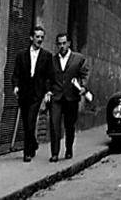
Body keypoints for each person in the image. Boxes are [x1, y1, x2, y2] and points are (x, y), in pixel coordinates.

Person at [11, 25, 54, 162]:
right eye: (37, 37)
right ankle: (33, 143)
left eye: (42, 37)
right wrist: (16, 86)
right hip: (24, 92)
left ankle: (27, 152)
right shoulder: (21, 55)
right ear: (31, 38)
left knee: (30, 121)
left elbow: (49, 76)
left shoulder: (47, 56)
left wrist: (48, 91)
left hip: (37, 93)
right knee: (26, 122)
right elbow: (16, 73)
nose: (40, 39)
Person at [48, 32, 89, 162]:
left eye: (64, 43)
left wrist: (83, 86)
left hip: (71, 97)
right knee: (54, 125)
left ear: (69, 44)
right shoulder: (52, 60)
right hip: (56, 97)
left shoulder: (78, 59)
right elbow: (48, 78)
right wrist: (48, 91)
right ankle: (54, 153)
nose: (62, 46)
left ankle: (69, 149)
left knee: (69, 125)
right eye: (59, 44)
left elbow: (84, 75)